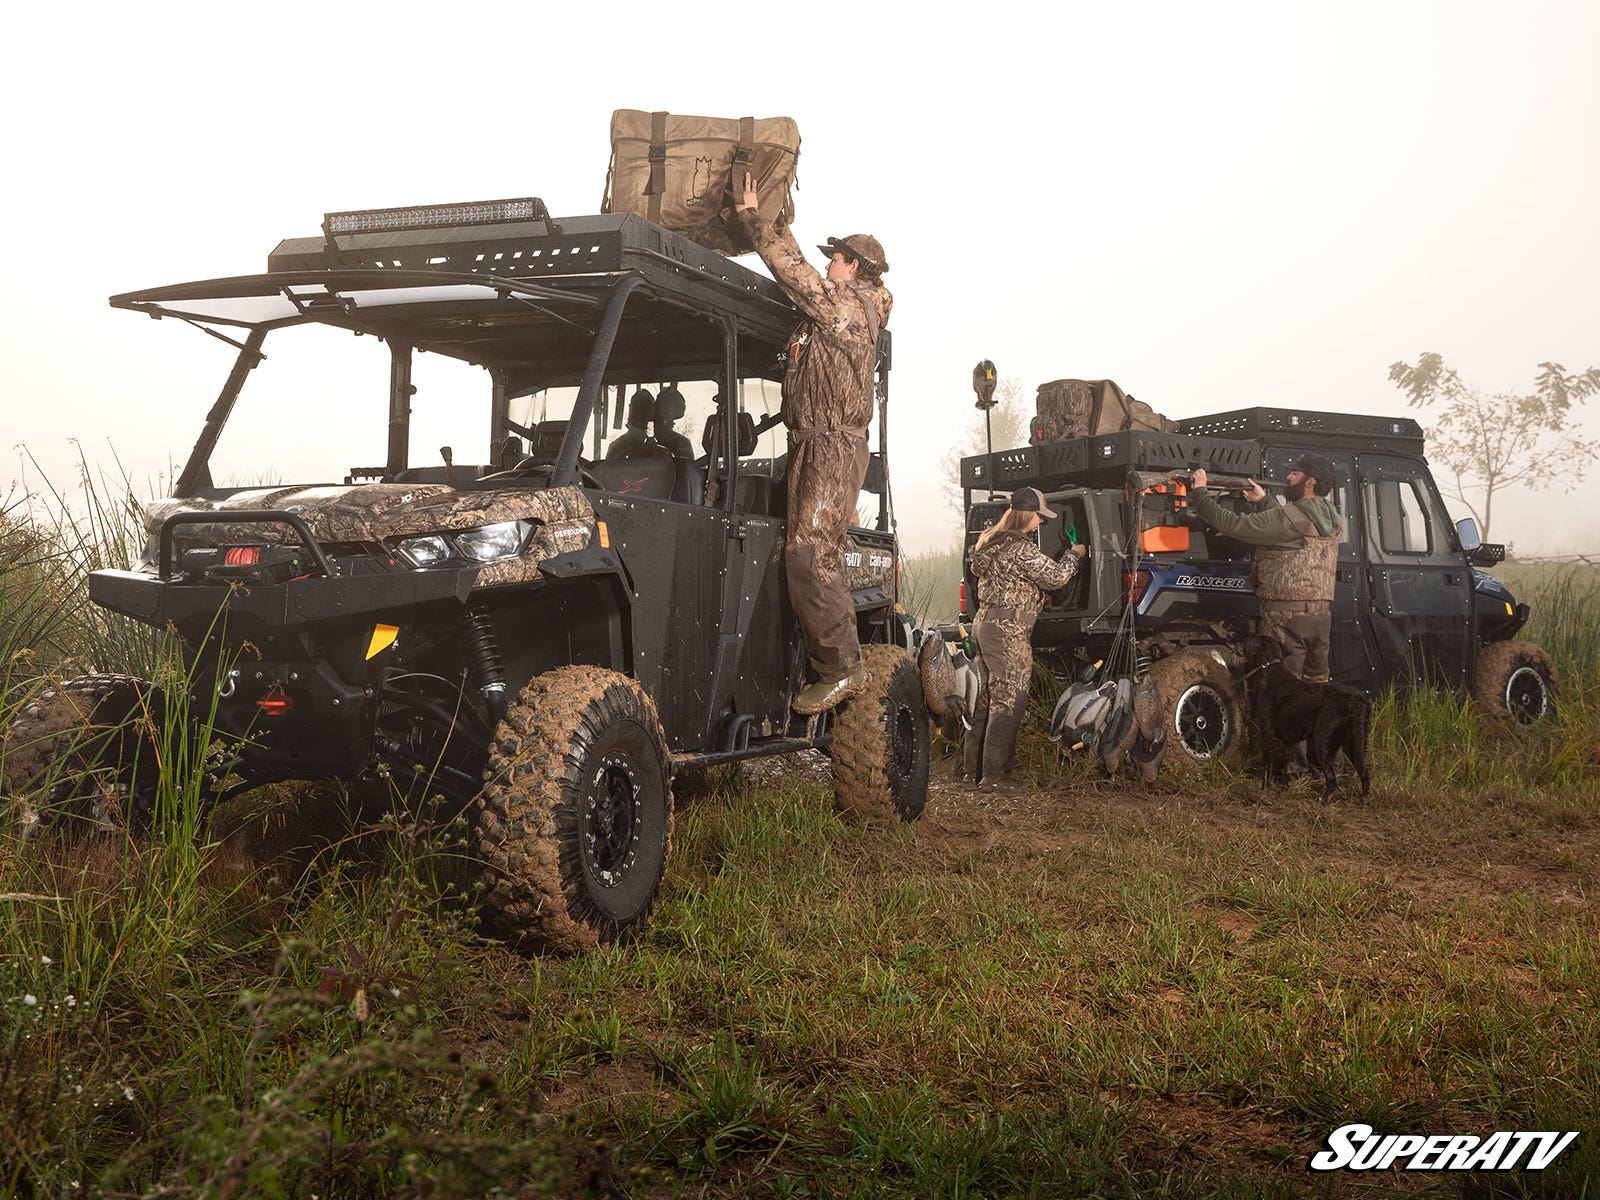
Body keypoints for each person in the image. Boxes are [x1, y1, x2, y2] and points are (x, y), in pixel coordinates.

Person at [733, 172, 892, 714]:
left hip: (832, 445)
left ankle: (842, 667)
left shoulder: (851, 307)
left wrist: (756, 220)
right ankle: (825, 658)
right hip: (811, 442)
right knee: (801, 551)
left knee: (809, 552)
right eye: (829, 260)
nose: (828, 266)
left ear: (856, 268)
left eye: (836, 260)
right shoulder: (832, 313)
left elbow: (797, 275)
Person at [964, 487, 1087, 789]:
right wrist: (1074, 554)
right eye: (1039, 517)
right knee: (1009, 701)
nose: (1041, 523)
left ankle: (971, 772)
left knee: (984, 699)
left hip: (985, 625)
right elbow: (1056, 578)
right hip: (1008, 632)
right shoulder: (1019, 549)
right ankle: (995, 776)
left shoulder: (990, 542)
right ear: (1027, 514)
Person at [1189, 454, 1341, 681]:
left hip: (1286, 618)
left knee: (1283, 686)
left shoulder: (1287, 518)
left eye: (1295, 473)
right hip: (1321, 617)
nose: (1288, 477)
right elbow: (1292, 527)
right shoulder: (1332, 515)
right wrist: (1263, 501)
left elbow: (1235, 525)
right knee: (1316, 685)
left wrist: (1200, 493)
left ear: (1310, 482)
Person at [605, 389, 655, 461]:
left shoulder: (618, 445)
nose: (640, 413)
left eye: (644, 409)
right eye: (640, 409)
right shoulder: (621, 446)